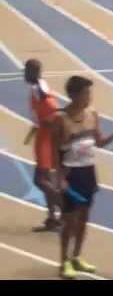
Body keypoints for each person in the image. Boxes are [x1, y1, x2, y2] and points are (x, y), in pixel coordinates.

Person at [53, 76, 113, 279]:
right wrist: (60, 179)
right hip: (71, 174)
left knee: (83, 218)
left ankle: (77, 257)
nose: (88, 97)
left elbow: (99, 143)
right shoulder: (60, 118)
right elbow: (56, 151)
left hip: (88, 172)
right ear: (73, 95)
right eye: (85, 93)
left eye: (89, 93)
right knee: (69, 220)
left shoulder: (92, 115)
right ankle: (64, 261)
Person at [23, 59, 61, 232]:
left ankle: (64, 206)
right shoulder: (39, 87)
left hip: (46, 140)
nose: (24, 73)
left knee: (40, 180)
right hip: (44, 138)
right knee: (46, 180)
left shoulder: (39, 90)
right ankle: (53, 218)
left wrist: (44, 124)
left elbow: (52, 110)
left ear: (33, 72)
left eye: (26, 70)